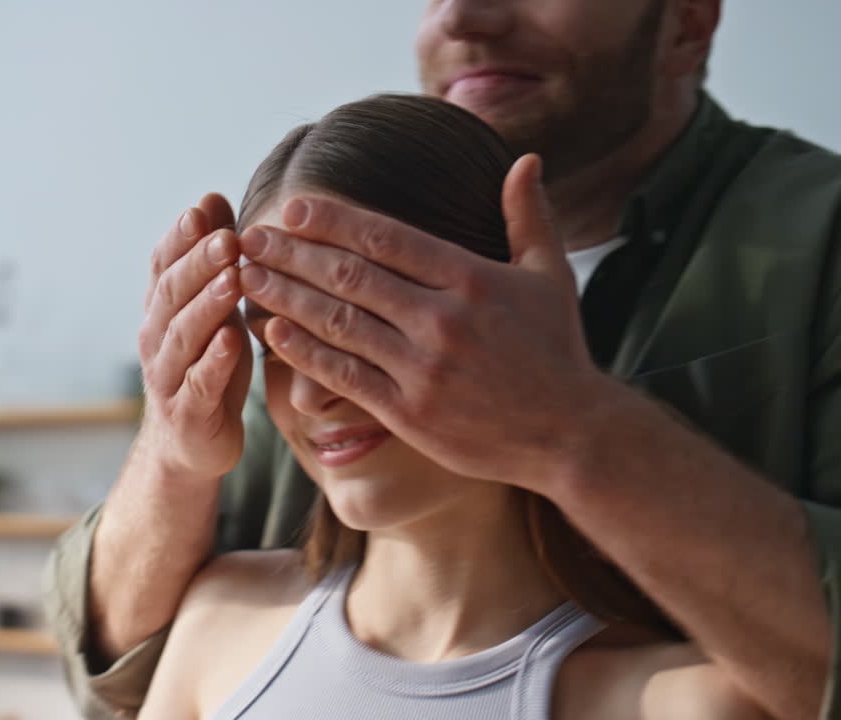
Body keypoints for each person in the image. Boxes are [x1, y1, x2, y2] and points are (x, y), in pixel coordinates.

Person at [45, 2, 841, 718]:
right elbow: (115, 667)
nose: (463, 17)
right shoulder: (229, 602)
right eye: (283, 338)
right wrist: (173, 454)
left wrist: (575, 431)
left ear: (688, 22)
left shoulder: (817, 243)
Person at [137, 91, 765, 719]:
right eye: (275, 340)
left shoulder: (676, 703)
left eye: (360, 319)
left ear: (518, 312)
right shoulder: (218, 622)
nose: (309, 391)